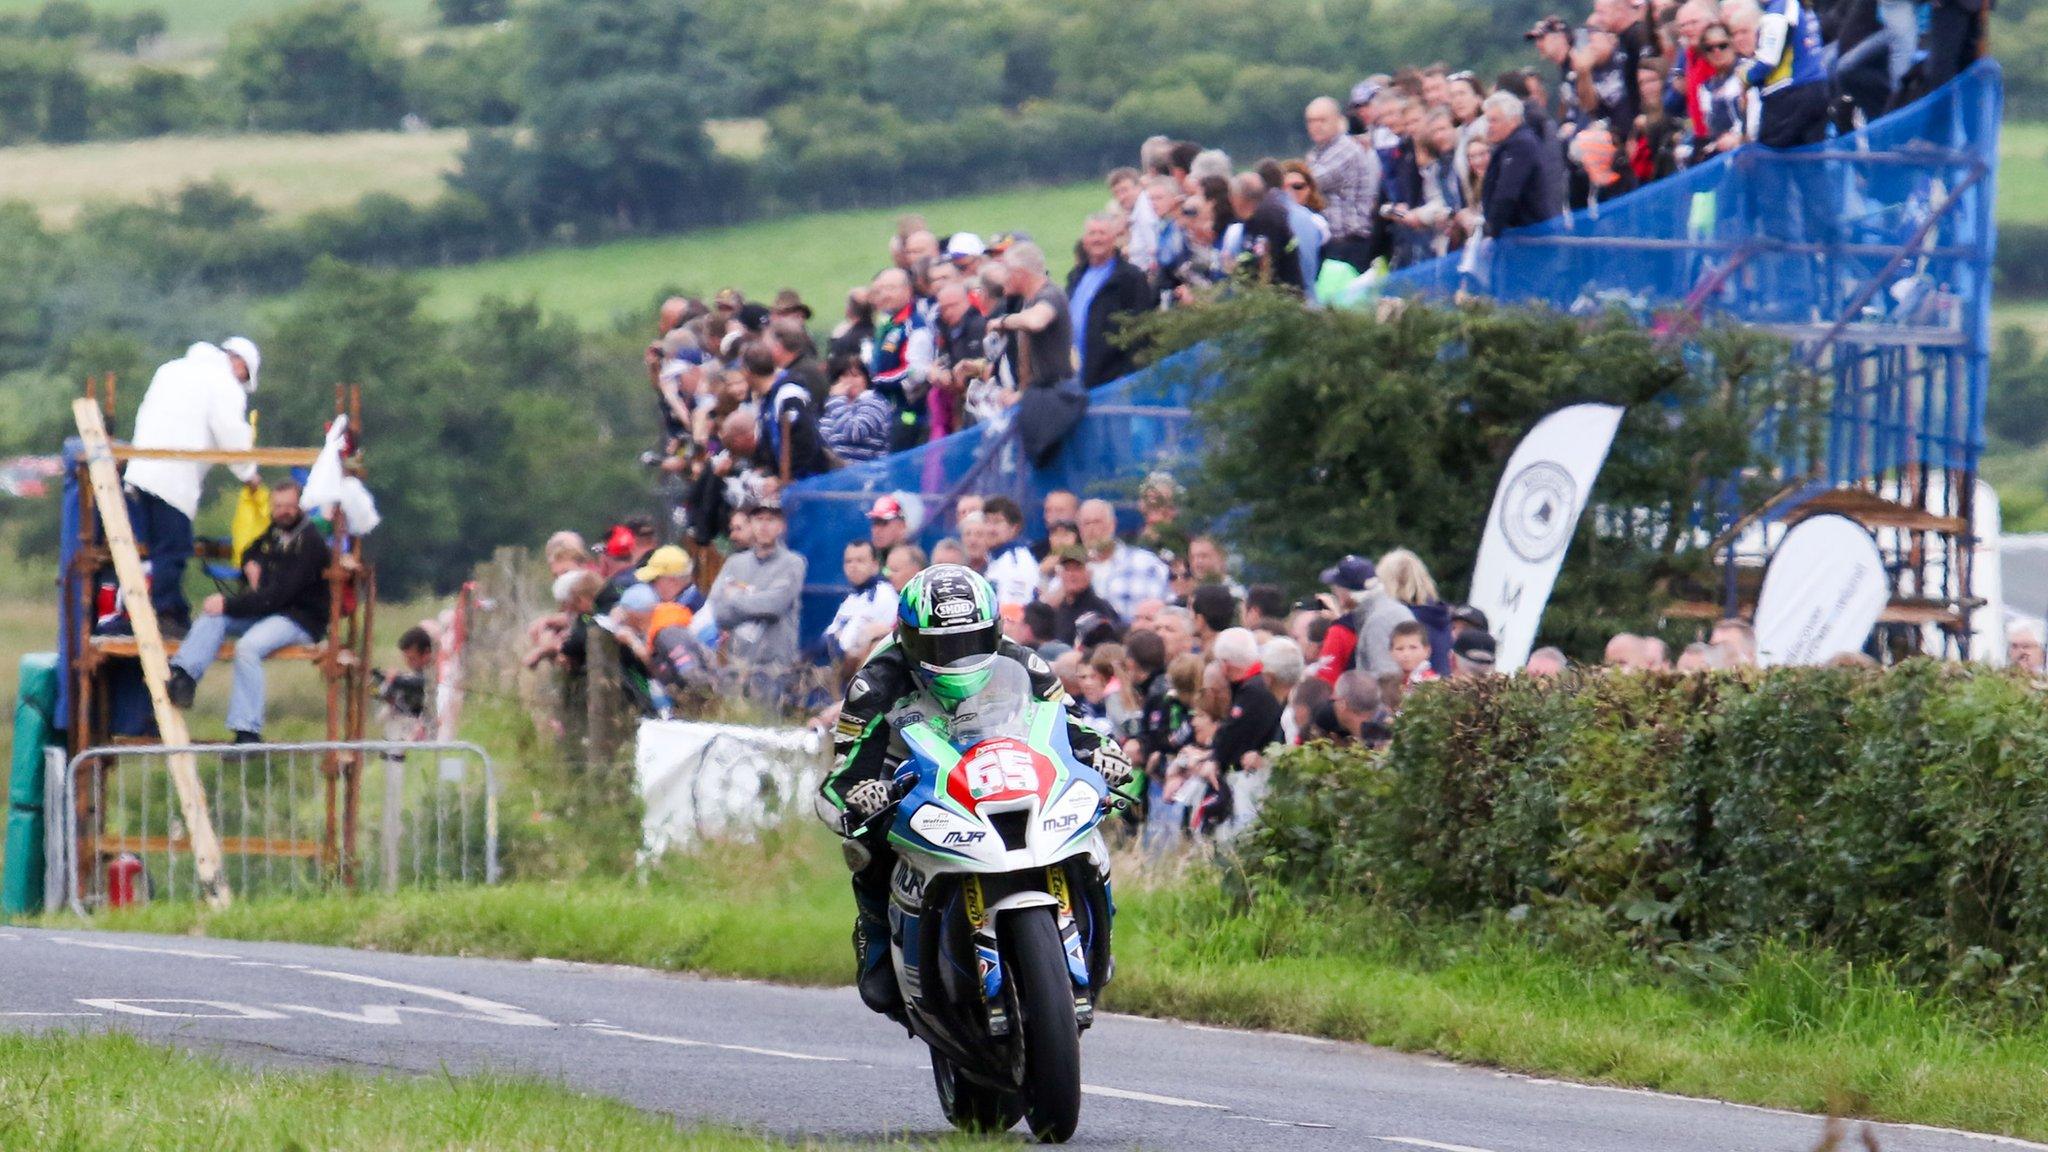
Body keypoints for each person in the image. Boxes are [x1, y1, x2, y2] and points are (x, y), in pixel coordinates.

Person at [822, 565, 1138, 1017]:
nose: (957, 659)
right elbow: (846, 769)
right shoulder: (876, 682)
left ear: (994, 631)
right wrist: (862, 796)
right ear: (909, 638)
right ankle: (875, 934)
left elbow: (1071, 725)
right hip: (907, 768)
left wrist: (1105, 753)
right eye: (940, 647)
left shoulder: (1022, 661)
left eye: (970, 642)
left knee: (1090, 817)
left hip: (1000, 762)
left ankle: (1098, 926)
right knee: (868, 843)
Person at [164, 479, 329, 744]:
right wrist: (251, 564)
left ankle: (247, 730)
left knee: (248, 647)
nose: (283, 512)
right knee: (212, 618)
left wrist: (229, 604)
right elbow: (252, 549)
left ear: (299, 506)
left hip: (298, 618)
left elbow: (277, 597)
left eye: (289, 506)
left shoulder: (309, 542)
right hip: (268, 611)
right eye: (278, 506)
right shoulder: (277, 532)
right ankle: (184, 676)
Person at [119, 338, 263, 635]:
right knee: (173, 550)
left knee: (147, 551)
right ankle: (165, 614)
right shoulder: (224, 383)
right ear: (239, 364)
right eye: (244, 376)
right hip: (174, 477)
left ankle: (140, 613)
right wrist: (249, 473)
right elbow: (231, 434)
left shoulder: (170, 369)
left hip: (141, 471)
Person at [990, 241, 1086, 465]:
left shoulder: (1050, 295)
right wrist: (1020, 394)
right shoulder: (1028, 301)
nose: (1003, 280)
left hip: (1056, 398)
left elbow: (1036, 321)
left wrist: (1002, 322)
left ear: (1020, 274)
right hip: (1038, 395)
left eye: (1007, 273)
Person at [708, 495, 806, 699]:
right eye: (759, 519)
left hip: (776, 669)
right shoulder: (735, 563)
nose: (764, 526)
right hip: (737, 666)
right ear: (750, 524)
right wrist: (755, 603)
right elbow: (718, 611)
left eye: (771, 520)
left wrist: (735, 598)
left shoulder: (793, 563)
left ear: (781, 526)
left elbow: (774, 606)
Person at [1066, 213, 1154, 390]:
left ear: (1114, 238)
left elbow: (1141, 327)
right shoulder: (1076, 276)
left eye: (1102, 233)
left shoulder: (1130, 278)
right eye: (1092, 233)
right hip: (1076, 378)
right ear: (1084, 240)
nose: (1097, 239)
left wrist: (1129, 372)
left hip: (1111, 380)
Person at [1305, 95, 1381, 271]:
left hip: (1349, 242)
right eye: (1311, 121)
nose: (1316, 126)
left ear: (1338, 120)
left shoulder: (1344, 149)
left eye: (1322, 120)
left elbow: (1312, 182)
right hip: (1333, 243)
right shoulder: (1317, 153)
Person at [1479, 90, 1565, 236]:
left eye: (1494, 120)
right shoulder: (1506, 146)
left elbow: (1507, 191)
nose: (1490, 127)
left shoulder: (1520, 144)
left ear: (1513, 120)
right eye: (1488, 121)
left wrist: (1491, 230)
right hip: (1519, 234)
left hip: (1531, 235)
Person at [1077, 498, 1171, 622]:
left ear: (1113, 524)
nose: (1091, 529)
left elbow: (1166, 608)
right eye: (1086, 524)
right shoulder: (1072, 569)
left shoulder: (1145, 563)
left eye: (1097, 522)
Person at [823, 540, 896, 670]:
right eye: (848, 561)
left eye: (860, 560)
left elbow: (856, 646)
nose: (853, 566)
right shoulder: (851, 598)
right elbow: (830, 636)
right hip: (843, 670)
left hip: (871, 674)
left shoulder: (883, 593)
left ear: (875, 565)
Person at [1048, 546, 1122, 646]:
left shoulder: (1099, 608)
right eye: (1067, 569)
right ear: (1060, 574)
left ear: (1089, 573)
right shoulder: (1059, 608)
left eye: (1077, 569)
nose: (1071, 575)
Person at [979, 497, 1038, 609]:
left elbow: (1012, 613)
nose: (990, 529)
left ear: (1014, 528)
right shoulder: (995, 559)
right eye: (987, 521)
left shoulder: (1016, 561)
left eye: (997, 522)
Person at [1390, 620, 1439, 686]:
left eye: (1413, 648)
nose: (1406, 654)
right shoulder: (1391, 682)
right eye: (1400, 649)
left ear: (1427, 651)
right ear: (1391, 653)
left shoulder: (1431, 682)